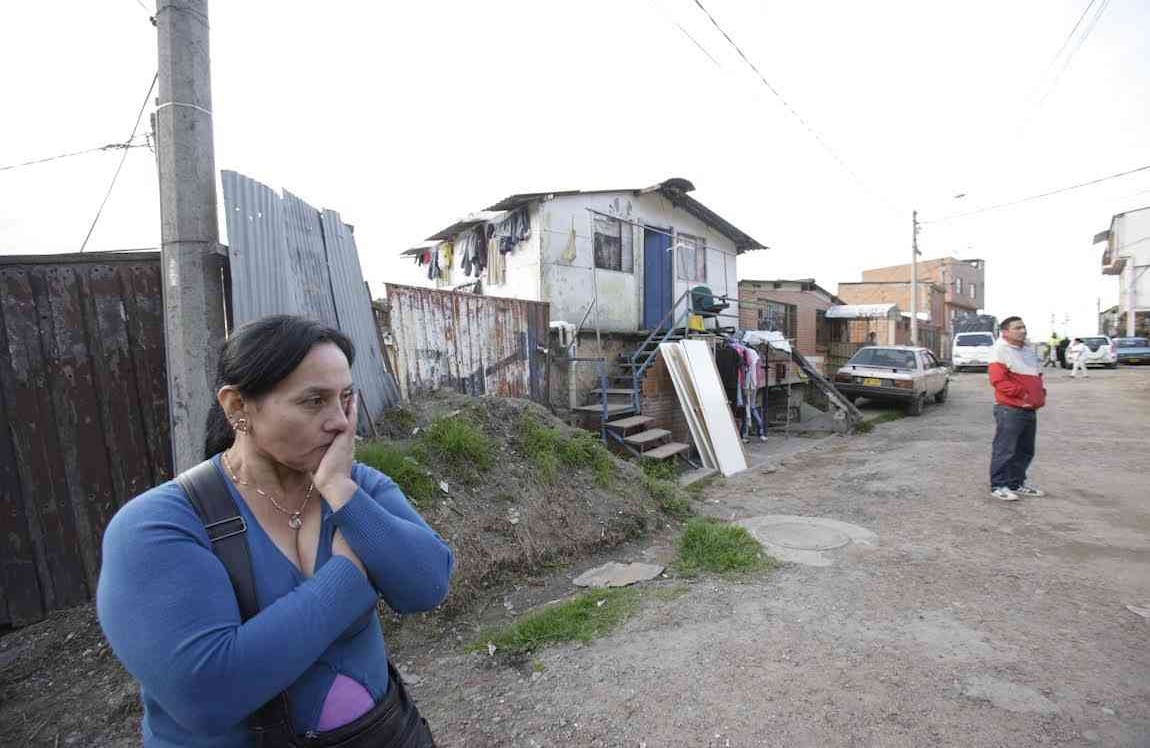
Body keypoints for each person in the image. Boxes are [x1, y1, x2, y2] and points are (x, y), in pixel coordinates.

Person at [97, 315, 454, 747]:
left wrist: (340, 490)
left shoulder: (356, 488)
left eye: (345, 399)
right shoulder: (158, 526)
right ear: (237, 407)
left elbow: (428, 585)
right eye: (313, 401)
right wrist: (349, 573)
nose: (340, 422)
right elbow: (209, 695)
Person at [987, 316, 1047, 501]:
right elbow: (998, 380)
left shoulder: (1027, 350)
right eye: (1017, 328)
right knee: (1005, 449)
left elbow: (1036, 375)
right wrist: (1024, 394)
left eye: (1023, 327)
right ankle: (999, 485)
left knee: (1025, 450)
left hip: (1030, 409)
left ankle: (1016, 483)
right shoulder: (1000, 350)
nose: (1022, 330)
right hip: (1010, 409)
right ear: (1005, 332)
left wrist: (1040, 394)